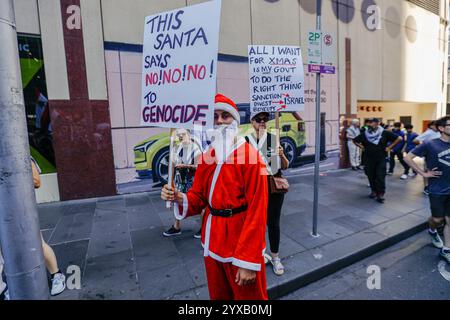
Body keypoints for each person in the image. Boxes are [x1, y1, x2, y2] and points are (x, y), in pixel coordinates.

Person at [161, 93, 268, 300]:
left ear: (235, 121)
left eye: (225, 116)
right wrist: (178, 197)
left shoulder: (252, 157)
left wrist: (247, 262)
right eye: (215, 116)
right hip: (213, 240)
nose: (219, 121)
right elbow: (199, 197)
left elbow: (258, 210)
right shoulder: (208, 156)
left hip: (240, 243)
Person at [245, 112, 289, 276]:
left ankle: (276, 258)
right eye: (258, 120)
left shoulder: (273, 138)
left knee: (273, 222)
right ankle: (260, 253)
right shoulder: (246, 141)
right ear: (252, 122)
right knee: (256, 223)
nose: (262, 122)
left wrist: (281, 154)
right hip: (255, 188)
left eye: (265, 120)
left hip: (273, 187)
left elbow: (284, 166)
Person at [404, 116, 450, 264]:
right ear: (442, 128)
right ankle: (432, 229)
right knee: (438, 219)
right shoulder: (430, 144)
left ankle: (446, 250)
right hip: (437, 189)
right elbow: (408, 157)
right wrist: (423, 173)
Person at [31, 158, 66, 296]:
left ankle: (57, 274)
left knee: (38, 243)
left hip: (20, 211)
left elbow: (36, 181)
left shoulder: (19, 155)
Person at [163, 129, 203, 238]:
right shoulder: (177, 148)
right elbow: (172, 165)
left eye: (183, 134)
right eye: (179, 135)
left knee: (198, 203)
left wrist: (186, 166)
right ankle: (176, 226)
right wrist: (170, 182)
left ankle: (203, 227)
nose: (181, 137)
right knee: (176, 201)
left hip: (192, 180)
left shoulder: (195, 148)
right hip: (180, 180)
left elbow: (200, 166)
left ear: (189, 135)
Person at [353, 118, 402, 203]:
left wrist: (389, 147)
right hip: (368, 158)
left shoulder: (384, 132)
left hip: (381, 158)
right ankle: (374, 191)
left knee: (380, 176)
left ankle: (380, 194)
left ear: (377, 123)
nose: (369, 124)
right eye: (368, 122)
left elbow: (399, 138)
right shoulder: (365, 134)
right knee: (370, 175)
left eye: (371, 123)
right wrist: (362, 147)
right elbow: (355, 140)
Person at [413, 121, 442, 195]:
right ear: (431, 126)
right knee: (427, 169)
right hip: (430, 154)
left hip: (439, 154)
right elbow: (415, 140)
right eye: (436, 125)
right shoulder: (428, 132)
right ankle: (426, 187)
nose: (438, 126)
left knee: (437, 169)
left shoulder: (439, 132)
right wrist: (424, 147)